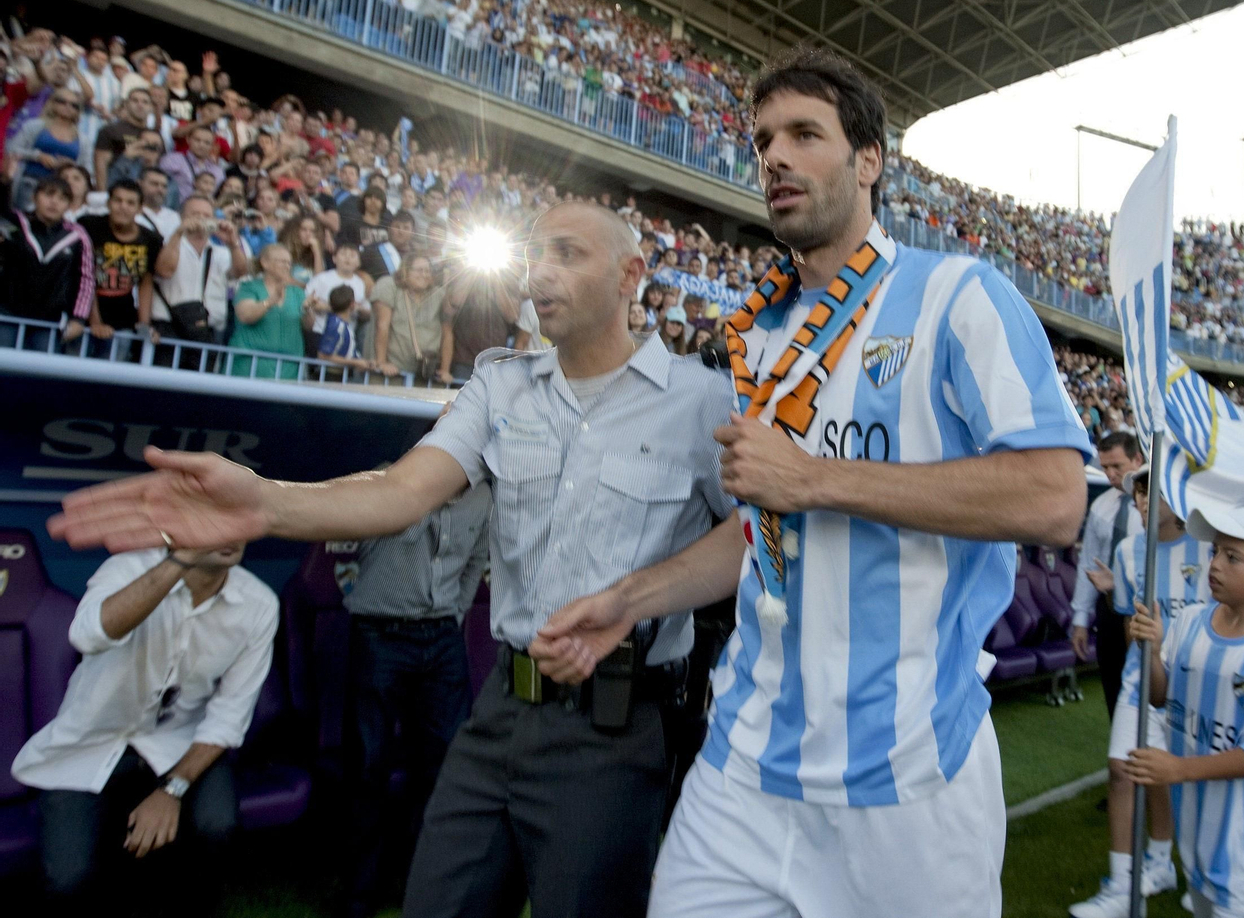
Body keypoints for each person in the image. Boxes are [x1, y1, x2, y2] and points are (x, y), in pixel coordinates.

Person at [48, 200, 737, 918]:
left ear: (632, 274)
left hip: (616, 725)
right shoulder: (501, 383)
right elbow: (402, 488)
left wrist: (634, 599)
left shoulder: (701, 402)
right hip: (501, 706)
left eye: (569, 254)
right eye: (537, 254)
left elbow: (761, 541)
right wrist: (269, 502)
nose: (543, 274)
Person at [537, 48, 1089, 918]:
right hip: (745, 766)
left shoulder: (959, 296)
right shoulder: (760, 335)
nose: (775, 158)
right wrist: (629, 601)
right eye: (762, 140)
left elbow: (1056, 498)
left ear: (870, 160)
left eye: (804, 134)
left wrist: (818, 477)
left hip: (907, 779)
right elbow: (763, 525)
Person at [9, 542, 276, 914]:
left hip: (179, 745)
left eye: (240, 521)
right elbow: (88, 634)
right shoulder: (128, 568)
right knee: (69, 879)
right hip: (91, 746)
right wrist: (180, 560)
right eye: (214, 518)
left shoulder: (259, 603)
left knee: (216, 826)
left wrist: (172, 790)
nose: (230, 532)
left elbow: (230, 716)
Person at [1125, 503, 1244, 918]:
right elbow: (1162, 697)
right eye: (1214, 553)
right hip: (1198, 833)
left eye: (1233, 557)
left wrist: (1179, 769)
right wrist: (1153, 653)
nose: (1214, 565)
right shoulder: (1191, 621)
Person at [336, 483, 492, 918]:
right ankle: (359, 897)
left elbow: (477, 559)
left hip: (441, 639)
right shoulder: (392, 481)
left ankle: (420, 886)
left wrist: (452, 615)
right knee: (368, 766)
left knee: (445, 768)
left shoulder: (484, 496)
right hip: (380, 633)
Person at [1071, 467, 1204, 918]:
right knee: (1122, 770)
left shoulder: (1208, 550)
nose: (1142, 502)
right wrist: (1112, 597)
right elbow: (1130, 619)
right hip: (1140, 680)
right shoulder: (1129, 552)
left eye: (1152, 492)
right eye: (1139, 495)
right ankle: (1123, 883)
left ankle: (1165, 863)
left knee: (1169, 776)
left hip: (1193, 685)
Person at [1071, 430, 1143, 716]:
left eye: (1117, 466)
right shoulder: (1101, 507)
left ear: (1137, 459)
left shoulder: (1162, 508)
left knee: (1148, 689)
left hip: (1144, 609)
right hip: (1109, 611)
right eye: (1105, 468)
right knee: (1114, 688)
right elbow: (1089, 563)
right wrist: (1080, 619)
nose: (1111, 474)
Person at [0, 177, 94, 351]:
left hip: (49, 322)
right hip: (7, 315)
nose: (54, 202)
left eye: (62, 198)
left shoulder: (77, 236)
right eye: (49, 194)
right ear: (34, 197)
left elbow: (86, 279)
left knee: (37, 376)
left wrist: (79, 318)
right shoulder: (16, 224)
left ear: (68, 204)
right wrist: (6, 182)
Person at [80, 179, 163, 355]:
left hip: (123, 318)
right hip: (83, 316)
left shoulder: (151, 239)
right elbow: (85, 277)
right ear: (109, 203)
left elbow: (145, 283)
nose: (122, 207)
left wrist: (144, 326)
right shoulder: (89, 226)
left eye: (130, 203)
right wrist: (95, 322)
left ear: (140, 208)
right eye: (117, 200)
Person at [151, 195, 235, 348]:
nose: (201, 219)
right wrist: (178, 233)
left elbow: (239, 274)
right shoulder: (166, 242)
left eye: (207, 215)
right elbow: (164, 271)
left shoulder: (221, 252)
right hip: (169, 327)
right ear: (181, 216)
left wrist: (233, 244)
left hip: (209, 330)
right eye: (195, 214)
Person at [229, 243, 308, 378]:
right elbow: (245, 315)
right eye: (282, 262)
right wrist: (271, 301)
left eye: (289, 263)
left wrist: (309, 309)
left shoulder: (297, 292)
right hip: (250, 365)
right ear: (265, 263)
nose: (287, 266)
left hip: (289, 367)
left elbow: (308, 326)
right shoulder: (249, 287)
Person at [372, 252, 448, 382]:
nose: (424, 275)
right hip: (393, 372)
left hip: (426, 374)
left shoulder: (439, 294)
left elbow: (448, 331)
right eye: (419, 270)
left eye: (428, 271)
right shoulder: (389, 286)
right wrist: (381, 362)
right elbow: (382, 325)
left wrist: (445, 370)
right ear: (405, 271)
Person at [7, 86, 85, 212]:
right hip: (30, 183)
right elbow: (12, 149)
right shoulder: (35, 126)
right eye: (62, 101)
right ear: (52, 103)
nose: (67, 107)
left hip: (62, 192)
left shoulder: (83, 140)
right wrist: (38, 156)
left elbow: (86, 169)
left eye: (74, 105)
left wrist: (71, 166)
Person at [319, 284, 370, 370]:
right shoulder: (336, 325)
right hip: (332, 375)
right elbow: (323, 355)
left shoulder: (344, 325)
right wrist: (354, 362)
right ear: (352, 304)